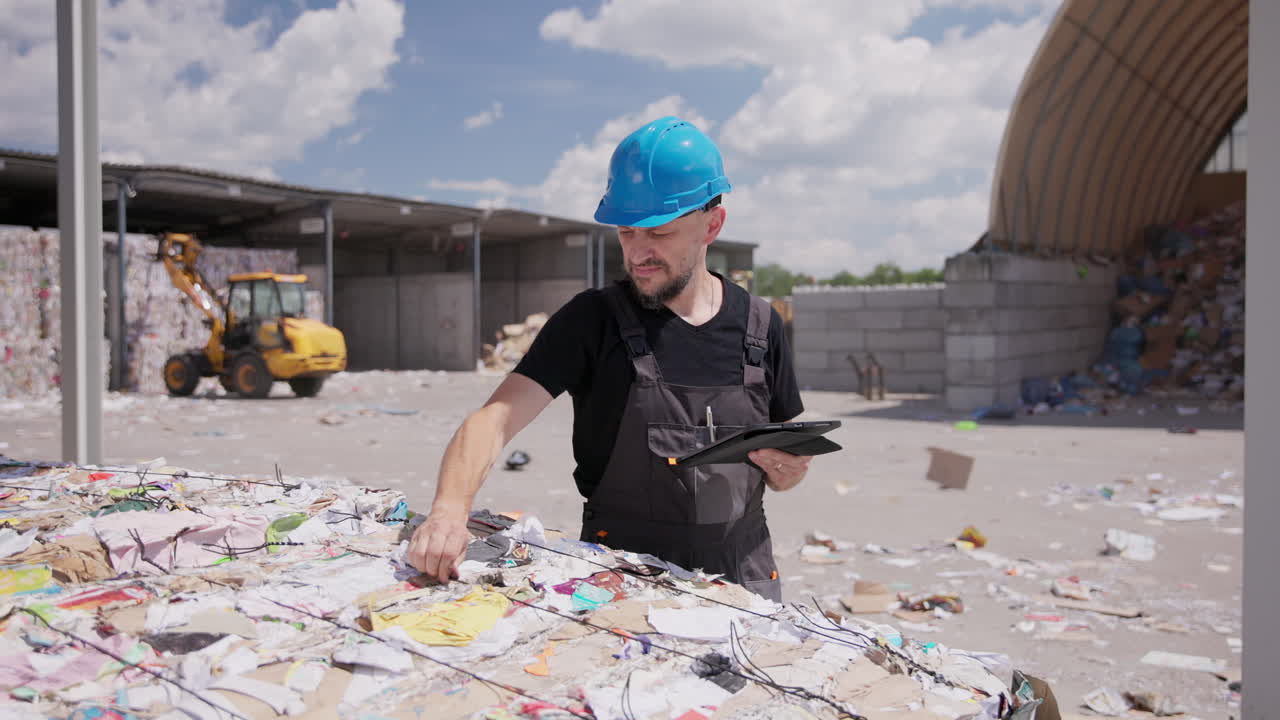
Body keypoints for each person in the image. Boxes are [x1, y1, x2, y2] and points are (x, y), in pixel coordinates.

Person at [407, 116, 812, 601]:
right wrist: (449, 511)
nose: (638, 252)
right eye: (626, 232)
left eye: (658, 233)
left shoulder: (762, 327)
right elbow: (493, 421)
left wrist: (790, 471)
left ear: (712, 224)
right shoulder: (592, 321)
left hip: (742, 580)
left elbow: (792, 452)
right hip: (622, 580)